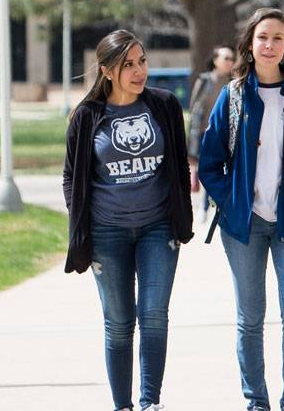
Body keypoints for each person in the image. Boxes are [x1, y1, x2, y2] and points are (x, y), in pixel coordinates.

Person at [198, 7, 284, 411]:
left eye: (278, 38)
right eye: (263, 37)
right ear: (250, 44)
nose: (270, 45)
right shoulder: (234, 96)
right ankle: (256, 401)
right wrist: (231, 200)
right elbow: (209, 163)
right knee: (250, 318)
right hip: (244, 224)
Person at [62, 29, 194, 411]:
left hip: (158, 227)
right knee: (119, 324)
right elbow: (72, 177)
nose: (139, 71)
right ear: (106, 71)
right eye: (128, 65)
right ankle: (123, 406)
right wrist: (81, 223)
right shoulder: (87, 117)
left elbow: (178, 166)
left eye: (142, 61)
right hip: (107, 232)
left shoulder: (165, 106)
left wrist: (180, 216)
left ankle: (150, 402)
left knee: (153, 314)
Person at [188, 45, 235, 221]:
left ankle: (219, 205)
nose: (230, 62)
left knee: (224, 169)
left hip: (226, 134)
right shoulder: (204, 80)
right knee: (208, 169)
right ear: (215, 60)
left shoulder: (234, 82)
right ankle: (205, 208)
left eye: (232, 59)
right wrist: (191, 139)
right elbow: (194, 109)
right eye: (226, 58)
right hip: (203, 133)